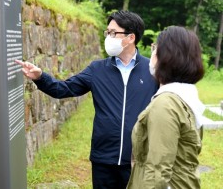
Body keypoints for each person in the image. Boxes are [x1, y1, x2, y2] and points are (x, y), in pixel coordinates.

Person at [16, 10, 159, 189]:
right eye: (107, 32)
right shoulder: (97, 69)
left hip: (138, 159)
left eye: (113, 33)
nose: (108, 37)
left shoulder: (152, 70)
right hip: (103, 159)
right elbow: (63, 89)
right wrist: (40, 77)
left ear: (130, 37)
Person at [127, 26, 205, 189]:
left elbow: (158, 173)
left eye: (155, 48)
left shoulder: (165, 105)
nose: (152, 54)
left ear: (167, 56)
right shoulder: (187, 98)